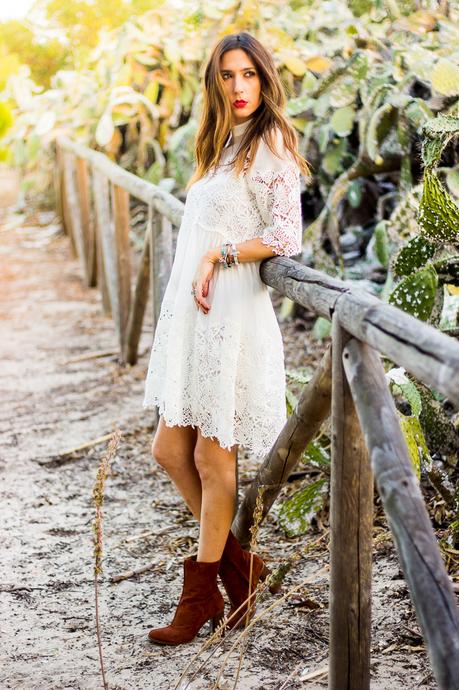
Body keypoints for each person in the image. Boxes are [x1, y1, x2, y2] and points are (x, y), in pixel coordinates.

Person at [142, 31, 311, 646]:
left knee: (214, 458)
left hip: (233, 314)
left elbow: (287, 236)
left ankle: (198, 597)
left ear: (265, 80)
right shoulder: (224, 142)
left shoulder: (269, 142)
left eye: (249, 75)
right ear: (215, 82)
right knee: (169, 450)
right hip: (196, 315)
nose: (239, 87)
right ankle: (241, 570)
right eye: (228, 76)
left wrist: (222, 253)